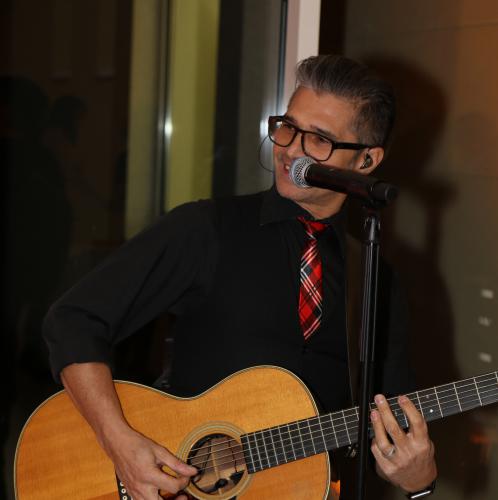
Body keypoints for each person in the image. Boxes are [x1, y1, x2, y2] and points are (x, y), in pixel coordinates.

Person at [43, 55, 437, 499]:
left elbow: (394, 433)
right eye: (288, 127)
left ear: (366, 160)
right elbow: (73, 320)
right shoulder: (206, 230)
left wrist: (418, 480)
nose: (291, 149)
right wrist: (119, 442)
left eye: (319, 140)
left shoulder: (376, 280)